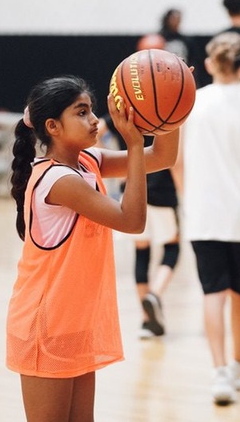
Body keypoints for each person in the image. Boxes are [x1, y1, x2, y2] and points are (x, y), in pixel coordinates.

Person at [6, 76, 179, 422]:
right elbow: (132, 221)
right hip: (47, 325)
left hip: (74, 323)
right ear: (53, 126)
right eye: (81, 112)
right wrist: (132, 144)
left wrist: (171, 109)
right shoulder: (58, 180)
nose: (94, 120)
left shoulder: (88, 162)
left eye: (92, 110)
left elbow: (163, 155)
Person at [171, 32, 240, 405]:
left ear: (211, 63)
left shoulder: (192, 104)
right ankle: (238, 363)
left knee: (212, 291)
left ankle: (218, 373)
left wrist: (187, 196)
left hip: (204, 211)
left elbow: (177, 160)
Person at [99, 113, 181, 340]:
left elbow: (98, 131)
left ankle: (147, 321)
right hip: (163, 192)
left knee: (142, 252)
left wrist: (111, 161)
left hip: (134, 190)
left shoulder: (126, 113)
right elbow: (176, 160)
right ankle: (154, 294)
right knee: (173, 249)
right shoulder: (163, 112)